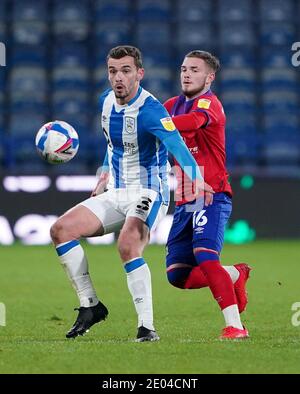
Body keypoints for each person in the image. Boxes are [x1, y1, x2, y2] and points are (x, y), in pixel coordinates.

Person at [50, 45, 214, 342]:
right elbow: (113, 144)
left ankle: (146, 327)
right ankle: (90, 306)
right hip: (116, 191)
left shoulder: (151, 110)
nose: (118, 78)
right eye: (113, 71)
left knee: (127, 244)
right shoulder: (105, 102)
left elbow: (177, 144)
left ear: (140, 73)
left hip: (149, 191)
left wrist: (197, 179)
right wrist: (103, 173)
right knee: (61, 230)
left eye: (126, 71)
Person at [164, 50, 251, 340]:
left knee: (205, 256)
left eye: (195, 70)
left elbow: (194, 122)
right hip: (185, 199)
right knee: (177, 274)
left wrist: (157, 126)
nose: (186, 74)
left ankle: (235, 327)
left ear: (209, 77)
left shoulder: (209, 104)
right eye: (184, 68)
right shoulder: (171, 105)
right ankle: (235, 274)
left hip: (211, 194)